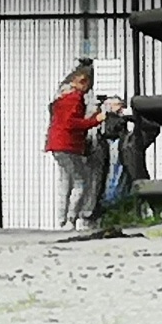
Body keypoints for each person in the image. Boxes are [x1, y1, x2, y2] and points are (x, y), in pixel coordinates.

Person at [45, 62, 111, 230]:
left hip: (56, 144)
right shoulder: (75, 98)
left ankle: (61, 219)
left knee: (65, 181)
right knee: (81, 182)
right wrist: (95, 120)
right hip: (69, 145)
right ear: (83, 81)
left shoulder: (61, 98)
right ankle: (71, 219)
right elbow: (73, 123)